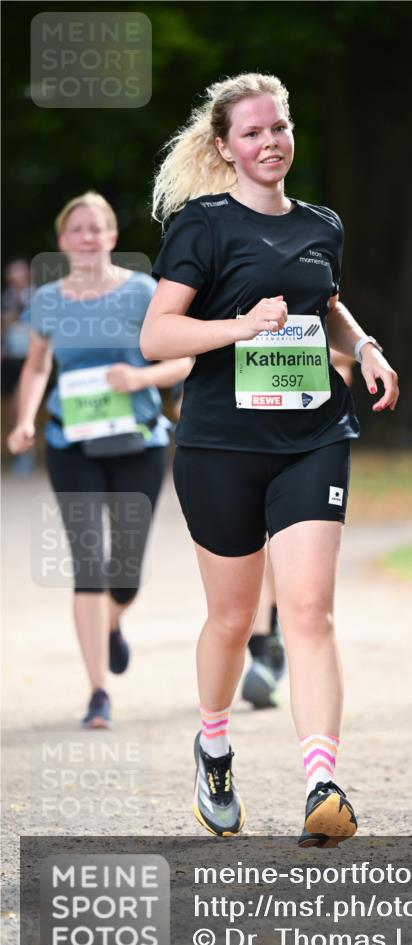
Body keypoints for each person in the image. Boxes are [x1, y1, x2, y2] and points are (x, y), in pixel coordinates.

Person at [141, 73, 398, 847]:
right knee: (228, 618)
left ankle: (321, 780)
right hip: (220, 444)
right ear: (225, 147)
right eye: (251, 132)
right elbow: (157, 338)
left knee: (311, 610)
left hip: (311, 436)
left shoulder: (322, 223)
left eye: (278, 128)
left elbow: (324, 302)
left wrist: (364, 345)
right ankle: (214, 745)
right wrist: (238, 326)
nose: (269, 142)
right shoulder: (202, 227)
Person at [7, 192, 192, 728]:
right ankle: (98, 693)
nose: (87, 237)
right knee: (88, 565)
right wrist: (25, 420)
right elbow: (38, 367)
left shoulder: (142, 293)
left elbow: (182, 357)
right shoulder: (47, 300)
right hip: (73, 444)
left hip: (140, 441)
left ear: (112, 236)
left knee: (126, 571)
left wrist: (138, 377)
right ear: (63, 241)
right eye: (77, 229)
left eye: (97, 228)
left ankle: (112, 621)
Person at [241, 347, 355, 710]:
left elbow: (342, 362)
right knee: (254, 547)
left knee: (282, 547)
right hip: (238, 444)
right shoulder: (222, 299)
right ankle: (265, 645)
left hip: (304, 445)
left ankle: (267, 645)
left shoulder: (312, 292)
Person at [2, 258, 35, 476]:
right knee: (10, 409)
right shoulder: (5, 298)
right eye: (12, 273)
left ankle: (25, 456)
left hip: (29, 358)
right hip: (9, 358)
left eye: (19, 272)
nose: (15, 277)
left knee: (19, 405)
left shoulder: (37, 297)